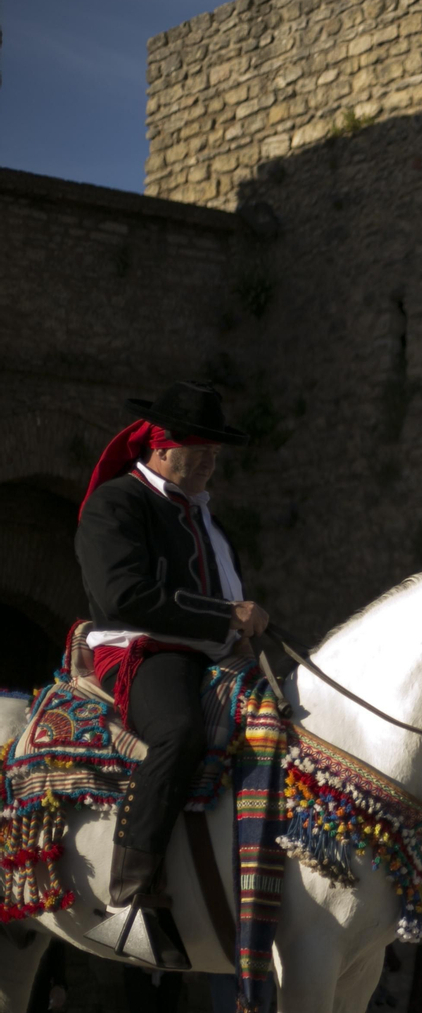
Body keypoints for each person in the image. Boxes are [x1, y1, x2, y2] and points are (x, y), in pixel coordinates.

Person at [74, 381, 268, 969]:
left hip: (213, 653)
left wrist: (238, 629)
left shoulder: (207, 517)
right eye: (200, 449)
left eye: (215, 451)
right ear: (160, 448)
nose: (212, 461)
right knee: (179, 731)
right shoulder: (117, 503)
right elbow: (124, 594)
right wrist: (224, 615)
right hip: (142, 651)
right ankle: (128, 900)